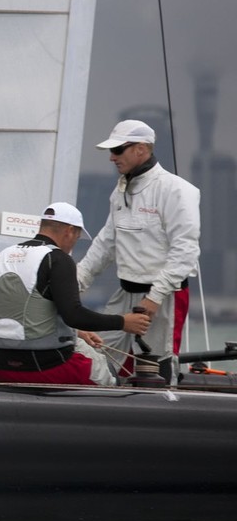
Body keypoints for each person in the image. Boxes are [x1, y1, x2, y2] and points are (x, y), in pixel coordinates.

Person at [75, 120, 200, 383]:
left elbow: (186, 250)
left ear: (141, 149)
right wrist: (73, 284)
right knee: (96, 347)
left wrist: (154, 299)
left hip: (165, 296)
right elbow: (105, 243)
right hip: (126, 291)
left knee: (157, 363)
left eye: (118, 150)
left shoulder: (177, 190)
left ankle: (163, 410)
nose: (112, 157)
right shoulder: (120, 190)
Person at [0, 202, 151, 385]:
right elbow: (74, 315)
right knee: (110, 377)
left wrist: (77, 332)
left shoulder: (5, 255)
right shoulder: (58, 259)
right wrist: (123, 322)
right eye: (77, 237)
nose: (74, 242)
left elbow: (27, 312)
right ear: (70, 231)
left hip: (2, 367)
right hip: (48, 367)